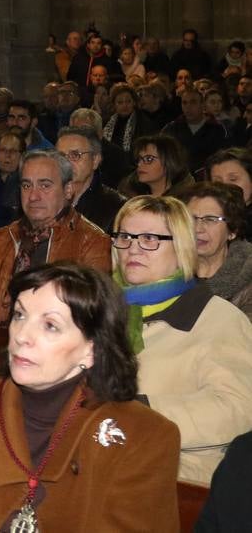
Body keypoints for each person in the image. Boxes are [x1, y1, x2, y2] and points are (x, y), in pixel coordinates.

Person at [0, 261, 182, 531]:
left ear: (92, 349)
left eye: (50, 325)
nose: (22, 336)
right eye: (19, 315)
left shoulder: (145, 435)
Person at [112, 195, 252, 483]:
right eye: (125, 236)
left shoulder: (219, 319)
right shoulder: (99, 312)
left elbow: (239, 411)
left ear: (181, 248)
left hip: (176, 479)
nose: (133, 248)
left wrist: (140, 413)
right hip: (101, 469)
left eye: (150, 238)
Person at [0, 150, 112, 325]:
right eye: (26, 185)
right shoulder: (0, 239)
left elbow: (90, 317)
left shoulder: (93, 243)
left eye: (45, 185)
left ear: (68, 190)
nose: (33, 196)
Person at [183, 181, 252, 321]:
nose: (197, 228)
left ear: (232, 231)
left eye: (210, 219)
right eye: (191, 219)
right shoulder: (166, 272)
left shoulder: (247, 278)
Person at [57, 125, 126, 233]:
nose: (66, 163)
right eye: (60, 156)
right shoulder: (46, 197)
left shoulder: (117, 207)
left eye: (75, 155)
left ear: (95, 160)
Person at [164, 88, 228, 169]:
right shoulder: (171, 128)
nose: (188, 107)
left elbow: (221, 158)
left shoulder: (217, 129)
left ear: (202, 104)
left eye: (193, 102)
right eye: (184, 103)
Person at [119, 133, 192, 197]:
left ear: (169, 162)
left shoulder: (187, 201)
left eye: (149, 159)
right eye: (139, 159)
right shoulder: (127, 195)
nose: (139, 164)